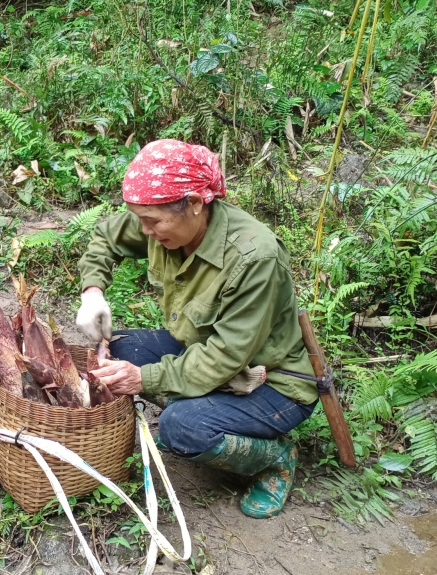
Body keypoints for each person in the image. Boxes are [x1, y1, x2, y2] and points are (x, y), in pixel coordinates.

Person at [75, 139, 318, 518]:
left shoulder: (255, 257)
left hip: (274, 383)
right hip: (204, 353)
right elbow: (108, 236)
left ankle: (275, 459)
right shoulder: (162, 220)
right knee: (123, 350)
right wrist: (93, 292)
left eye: (153, 221)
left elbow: (225, 354)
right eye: (140, 219)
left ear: (194, 204)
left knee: (181, 428)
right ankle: (209, 410)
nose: (145, 230)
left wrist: (144, 379)